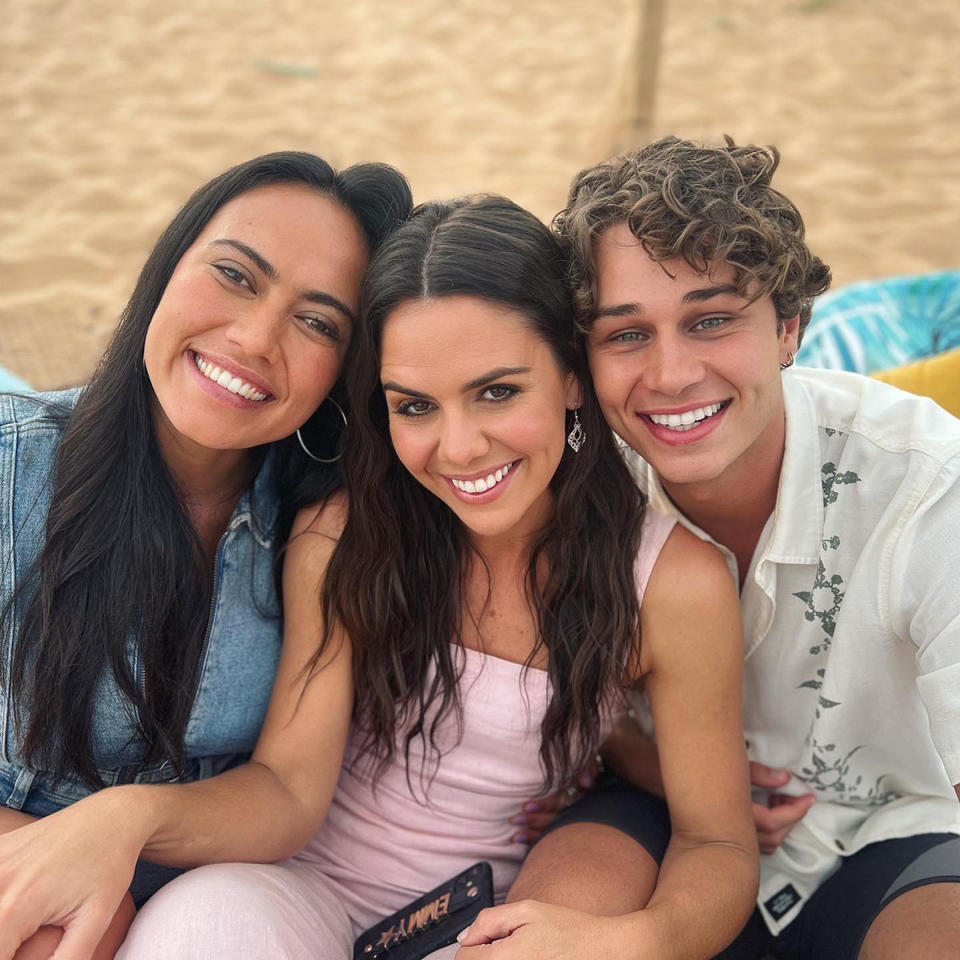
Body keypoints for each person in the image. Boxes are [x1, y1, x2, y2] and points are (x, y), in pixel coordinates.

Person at [115, 195, 757, 960]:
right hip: (294, 891)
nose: (459, 449)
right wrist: (125, 819)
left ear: (573, 378)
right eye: (415, 406)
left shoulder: (671, 583)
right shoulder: (347, 534)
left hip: (487, 921)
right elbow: (287, 785)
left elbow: (715, 842)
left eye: (498, 392)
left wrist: (636, 941)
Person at [479, 136, 960, 960]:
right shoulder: (567, 475)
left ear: (789, 327)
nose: (670, 374)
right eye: (625, 335)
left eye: (711, 321)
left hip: (899, 828)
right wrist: (650, 761)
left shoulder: (925, 487)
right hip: (653, 804)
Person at [0, 151, 412, 960]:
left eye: (318, 321)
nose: (255, 338)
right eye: (235, 275)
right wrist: (53, 867)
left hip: (183, 898)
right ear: (168, 266)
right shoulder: (14, 469)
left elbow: (289, 792)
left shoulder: (320, 531)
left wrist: (124, 822)